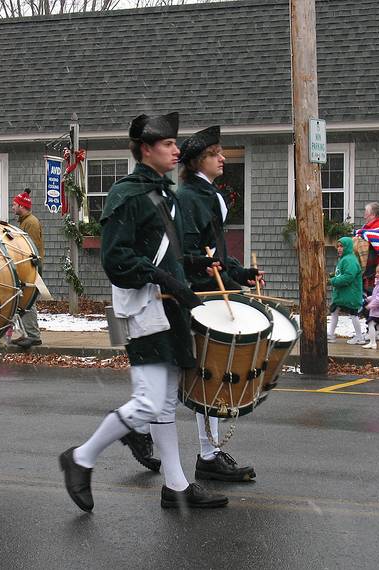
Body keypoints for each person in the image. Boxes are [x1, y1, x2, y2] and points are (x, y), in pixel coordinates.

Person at [59, 112, 228, 511]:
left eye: (175, 144)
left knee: (165, 404)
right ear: (146, 149)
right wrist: (163, 279)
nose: (175, 150)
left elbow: (163, 253)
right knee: (150, 404)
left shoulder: (164, 193)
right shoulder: (127, 194)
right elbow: (117, 260)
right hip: (144, 309)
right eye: (168, 144)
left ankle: (176, 485)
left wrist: (192, 265)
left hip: (168, 309)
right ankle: (80, 458)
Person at [167, 124, 260, 482]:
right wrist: (211, 279)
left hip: (214, 291)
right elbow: (192, 253)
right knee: (207, 376)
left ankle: (208, 453)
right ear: (195, 163)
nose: (222, 157)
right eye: (214, 153)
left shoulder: (211, 196)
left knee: (209, 375)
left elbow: (216, 253)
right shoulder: (189, 198)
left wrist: (240, 273)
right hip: (200, 295)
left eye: (221, 152)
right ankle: (201, 453)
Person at [10, 188, 44, 349]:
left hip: (30, 266)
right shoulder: (24, 221)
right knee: (23, 300)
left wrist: (29, 266)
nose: (12, 208)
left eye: (14, 205)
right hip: (25, 266)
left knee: (28, 301)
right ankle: (27, 334)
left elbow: (32, 248)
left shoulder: (31, 223)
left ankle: (33, 336)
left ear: (22, 206)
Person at [327, 236, 365, 344]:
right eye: (338, 246)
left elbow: (348, 277)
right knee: (334, 310)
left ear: (348, 247)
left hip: (351, 293)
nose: (339, 248)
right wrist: (334, 275)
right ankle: (331, 334)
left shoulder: (350, 260)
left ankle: (359, 337)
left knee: (353, 314)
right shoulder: (344, 259)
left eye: (341, 246)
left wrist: (332, 281)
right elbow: (342, 273)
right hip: (343, 293)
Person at [355, 202, 379, 294]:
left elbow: (368, 234)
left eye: (366, 214)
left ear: (373, 215)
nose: (364, 217)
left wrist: (359, 232)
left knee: (375, 292)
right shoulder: (373, 226)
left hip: (378, 265)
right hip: (374, 267)